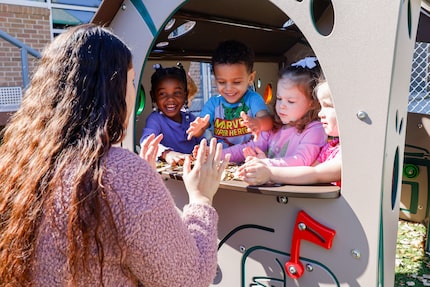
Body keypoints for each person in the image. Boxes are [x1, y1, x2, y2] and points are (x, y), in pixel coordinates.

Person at [0, 24, 231, 287]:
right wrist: (201, 198)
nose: (133, 90)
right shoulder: (119, 173)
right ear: (112, 89)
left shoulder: (27, 163)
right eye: (132, 81)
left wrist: (140, 180)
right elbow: (190, 279)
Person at [221, 60, 326, 167]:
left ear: (312, 103)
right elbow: (250, 147)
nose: (281, 105)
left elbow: (301, 161)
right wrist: (217, 155)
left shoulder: (315, 130)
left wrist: (265, 164)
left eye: (290, 101)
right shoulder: (276, 127)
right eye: (279, 98)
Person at [237, 80, 341, 186]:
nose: (320, 113)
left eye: (328, 106)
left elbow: (314, 174)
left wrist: (270, 172)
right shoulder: (331, 146)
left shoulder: (347, 154)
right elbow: (307, 171)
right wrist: (264, 164)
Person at [186, 40, 273, 147]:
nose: (229, 88)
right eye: (221, 82)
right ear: (215, 80)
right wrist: (197, 129)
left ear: (250, 78)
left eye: (236, 82)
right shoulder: (213, 104)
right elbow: (202, 128)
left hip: (249, 155)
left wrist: (259, 123)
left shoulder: (253, 99)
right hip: (222, 157)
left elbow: (268, 120)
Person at [139, 63, 202, 165]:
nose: (170, 99)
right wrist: (167, 154)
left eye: (177, 93)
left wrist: (202, 149)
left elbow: (203, 142)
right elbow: (146, 141)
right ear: (153, 96)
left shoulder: (191, 120)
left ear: (185, 95)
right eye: (162, 94)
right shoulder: (155, 119)